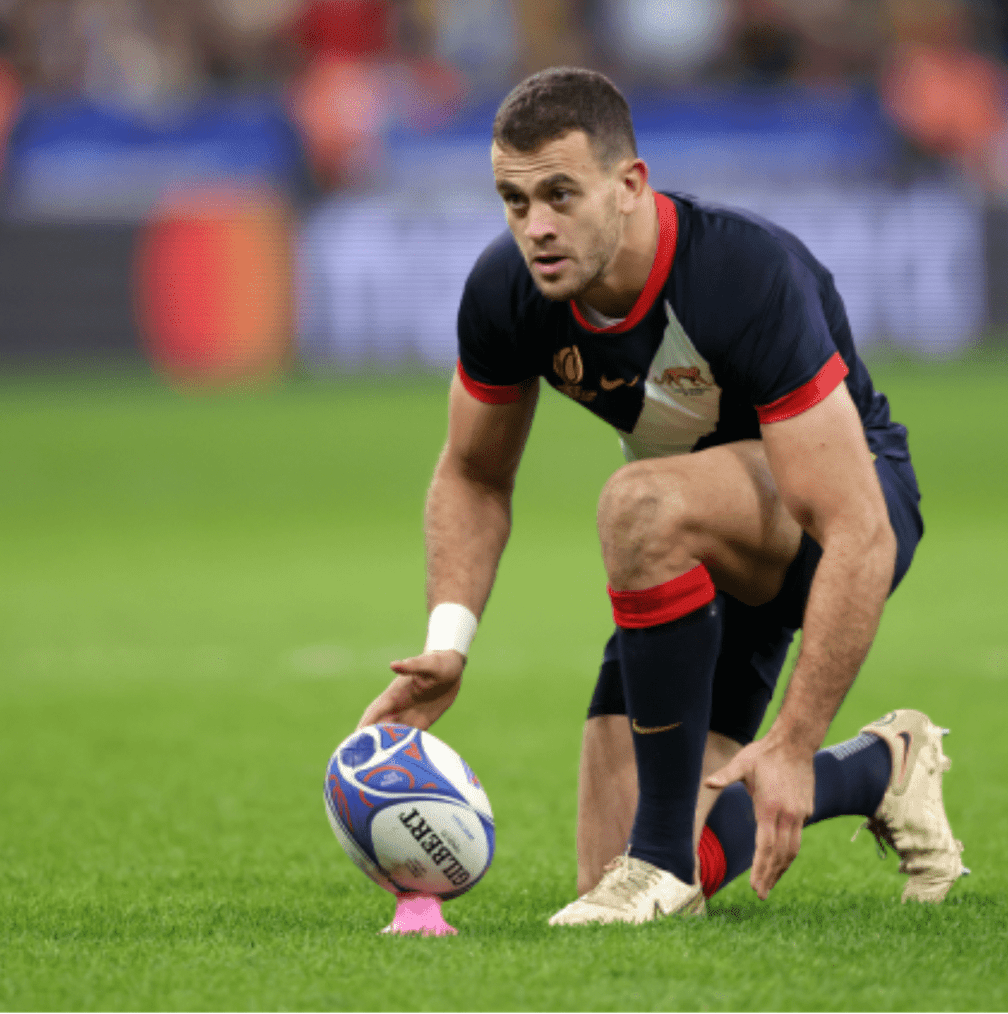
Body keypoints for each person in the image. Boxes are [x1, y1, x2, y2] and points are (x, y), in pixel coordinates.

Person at [358, 66, 966, 925]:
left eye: (561, 194)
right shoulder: (507, 293)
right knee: (603, 880)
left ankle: (665, 859)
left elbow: (857, 528)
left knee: (638, 504)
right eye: (513, 200)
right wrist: (448, 641)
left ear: (630, 185)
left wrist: (789, 741)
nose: (536, 227)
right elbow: (473, 471)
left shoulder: (740, 273)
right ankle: (877, 769)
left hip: (840, 521)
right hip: (692, 550)